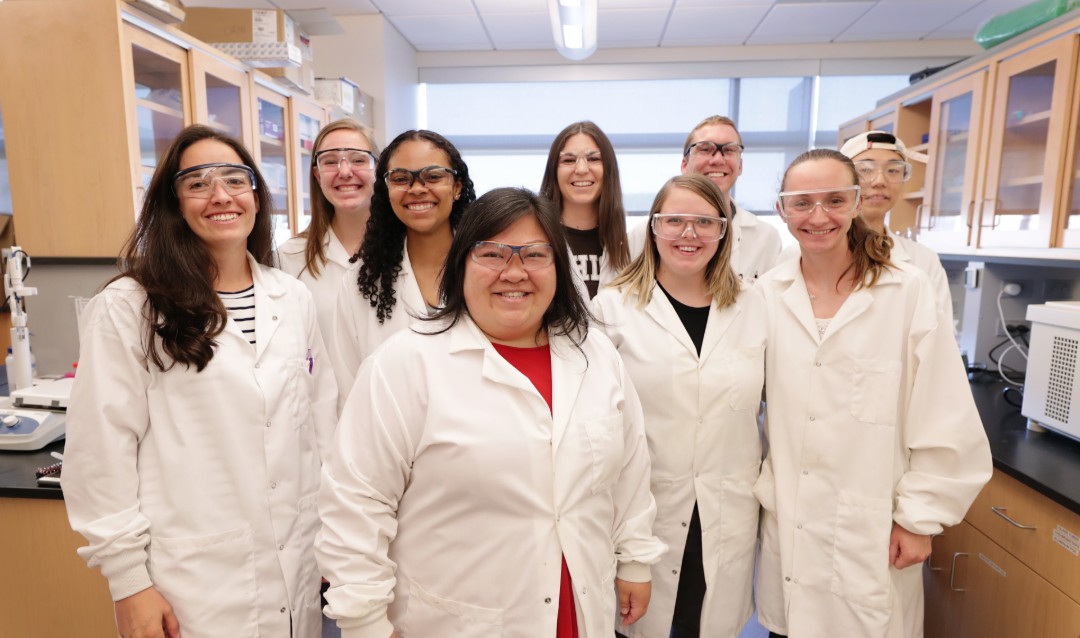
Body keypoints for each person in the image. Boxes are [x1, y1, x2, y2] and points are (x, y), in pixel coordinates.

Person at [317, 187, 666, 638]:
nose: (514, 271)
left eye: (535, 254)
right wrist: (364, 620)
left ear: (558, 267)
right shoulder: (405, 364)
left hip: (578, 613)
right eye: (493, 253)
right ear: (461, 262)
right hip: (458, 620)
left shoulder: (594, 354)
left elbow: (630, 470)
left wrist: (635, 557)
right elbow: (356, 502)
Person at [62, 125, 337, 638]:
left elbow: (320, 427)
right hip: (188, 584)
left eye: (236, 179)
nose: (220, 195)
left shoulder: (291, 297)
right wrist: (128, 583)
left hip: (296, 569)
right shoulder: (129, 306)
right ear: (173, 203)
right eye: (197, 183)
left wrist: (329, 541)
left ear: (256, 195)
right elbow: (98, 454)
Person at [753, 149, 992, 638]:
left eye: (835, 200)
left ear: (857, 202)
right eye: (802, 203)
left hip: (873, 532)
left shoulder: (906, 292)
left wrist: (920, 518)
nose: (818, 217)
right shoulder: (766, 296)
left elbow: (945, 412)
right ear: (781, 209)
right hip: (791, 534)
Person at [593, 174, 766, 638]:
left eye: (704, 222)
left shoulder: (756, 307)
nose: (689, 234)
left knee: (704, 625)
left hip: (726, 511)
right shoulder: (612, 309)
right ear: (652, 228)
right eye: (674, 221)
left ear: (724, 231)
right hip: (640, 512)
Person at [330, 129, 476, 399]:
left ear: (457, 187)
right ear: (386, 190)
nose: (417, 188)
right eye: (401, 179)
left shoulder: (489, 268)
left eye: (433, 176)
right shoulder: (359, 282)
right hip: (390, 438)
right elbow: (349, 384)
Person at [277, 119, 380, 351]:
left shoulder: (406, 248)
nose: (344, 172)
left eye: (358, 160)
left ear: (378, 169)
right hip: (322, 388)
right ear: (317, 175)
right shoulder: (290, 258)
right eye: (330, 162)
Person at [839, 130, 954, 326]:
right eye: (865, 169)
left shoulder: (923, 261)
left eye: (893, 170)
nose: (880, 181)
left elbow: (939, 338)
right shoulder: (804, 254)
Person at [680, 115, 782, 282]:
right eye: (705, 149)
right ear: (684, 164)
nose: (718, 159)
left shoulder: (766, 238)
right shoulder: (646, 234)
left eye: (729, 150)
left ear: (740, 166)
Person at [539, 120, 631, 298]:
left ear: (609, 169)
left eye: (594, 159)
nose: (581, 169)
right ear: (553, 171)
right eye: (569, 160)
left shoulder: (633, 245)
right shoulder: (536, 239)